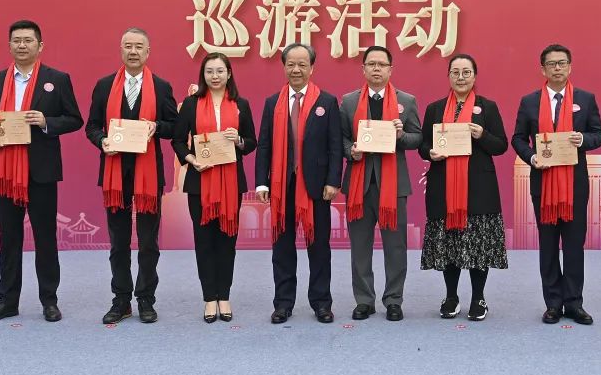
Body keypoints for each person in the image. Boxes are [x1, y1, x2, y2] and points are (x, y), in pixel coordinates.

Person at [0, 20, 83, 323]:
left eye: (28, 40)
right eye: (17, 40)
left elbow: (75, 119)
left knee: (45, 237)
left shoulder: (56, 79)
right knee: (9, 239)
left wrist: (47, 122)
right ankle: (7, 300)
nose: (22, 45)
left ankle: (49, 300)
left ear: (40, 45)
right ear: (9, 46)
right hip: (5, 172)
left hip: (40, 170)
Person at [85, 27, 177, 324]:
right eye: (128, 46)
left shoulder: (161, 87)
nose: (133, 51)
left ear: (148, 52)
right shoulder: (104, 86)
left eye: (139, 46)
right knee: (118, 242)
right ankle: (121, 300)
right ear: (121, 50)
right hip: (115, 175)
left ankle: (146, 299)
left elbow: (175, 126)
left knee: (148, 242)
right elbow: (91, 126)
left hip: (149, 176)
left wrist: (156, 127)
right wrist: (102, 141)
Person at [511, 44, 601, 325]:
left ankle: (574, 303)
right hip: (544, 184)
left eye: (562, 63)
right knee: (548, 245)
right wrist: (532, 157)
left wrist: (583, 140)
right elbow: (518, 139)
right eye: (551, 64)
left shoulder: (585, 99)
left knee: (574, 246)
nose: (557, 68)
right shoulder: (529, 102)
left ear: (570, 67)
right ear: (543, 69)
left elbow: (599, 134)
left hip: (575, 185)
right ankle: (553, 303)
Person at [255, 43, 343, 324]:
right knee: (282, 248)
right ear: (284, 67)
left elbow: (335, 146)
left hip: (316, 187)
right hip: (282, 186)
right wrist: (261, 183)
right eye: (291, 64)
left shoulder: (327, 101)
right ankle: (283, 303)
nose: (296, 69)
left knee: (319, 247)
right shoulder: (272, 103)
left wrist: (333, 181)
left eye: (302, 64)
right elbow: (264, 145)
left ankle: (321, 303)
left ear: (312, 68)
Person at [418, 54, 509, 322]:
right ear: (448, 76)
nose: (461, 77)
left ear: (474, 76)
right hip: (443, 186)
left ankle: (478, 297)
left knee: (478, 245)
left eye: (466, 72)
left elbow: (501, 145)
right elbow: (423, 145)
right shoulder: (435, 109)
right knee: (449, 243)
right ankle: (451, 296)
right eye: (455, 72)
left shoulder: (487, 107)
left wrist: (482, 135)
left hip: (479, 188)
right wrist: (430, 153)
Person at [172, 53, 257, 323]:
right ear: (203, 75)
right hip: (200, 182)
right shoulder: (191, 104)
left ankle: (224, 296)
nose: (215, 76)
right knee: (204, 241)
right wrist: (191, 160)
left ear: (229, 73)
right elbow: (177, 141)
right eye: (210, 71)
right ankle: (209, 298)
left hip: (231, 183)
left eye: (220, 71)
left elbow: (252, 142)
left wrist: (239, 139)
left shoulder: (241, 104)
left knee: (227, 242)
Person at [339, 46, 421, 322]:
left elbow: (418, 138)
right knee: (360, 247)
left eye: (381, 64)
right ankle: (364, 300)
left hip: (393, 186)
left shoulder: (406, 101)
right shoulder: (349, 101)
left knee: (395, 247)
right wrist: (350, 151)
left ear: (390, 69)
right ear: (363, 69)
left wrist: (401, 136)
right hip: (359, 185)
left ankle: (394, 300)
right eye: (371, 64)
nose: (376, 69)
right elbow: (340, 138)